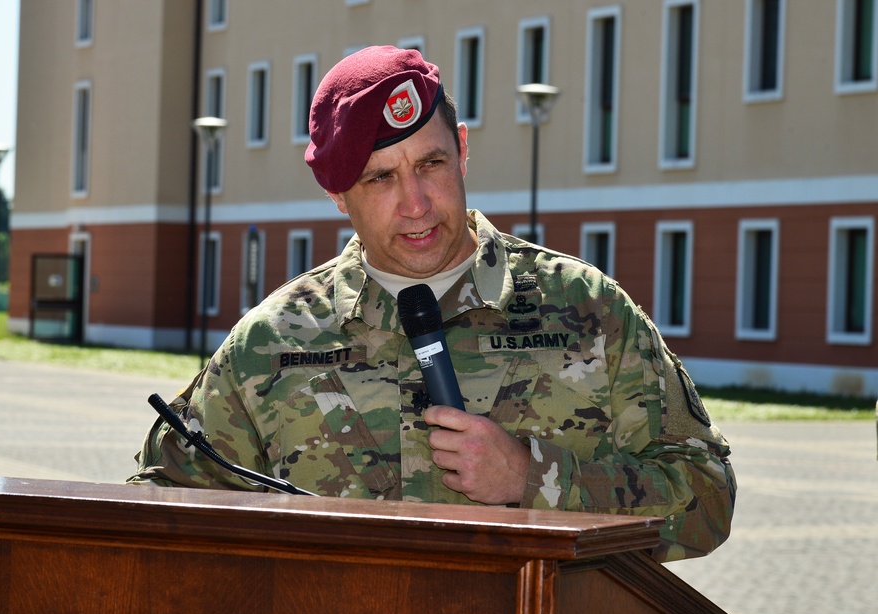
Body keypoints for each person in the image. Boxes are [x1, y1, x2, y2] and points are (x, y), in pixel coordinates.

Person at [130, 45, 736, 562]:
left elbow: (707, 500)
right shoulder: (275, 341)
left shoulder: (587, 311)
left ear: (463, 150)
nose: (416, 202)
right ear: (339, 195)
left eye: (431, 163)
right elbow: (154, 510)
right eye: (380, 178)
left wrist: (535, 479)